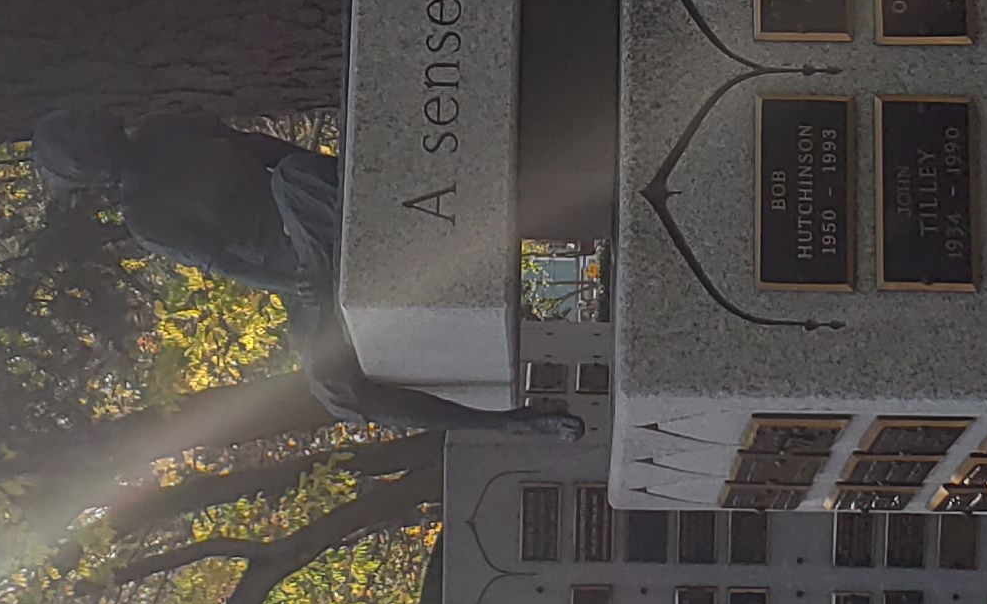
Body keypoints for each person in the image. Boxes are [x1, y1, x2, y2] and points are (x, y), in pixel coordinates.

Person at [30, 108, 579, 438]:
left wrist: (341, 174)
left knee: (296, 176)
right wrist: (293, 286)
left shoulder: (168, 129)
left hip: (306, 199)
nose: (93, 135)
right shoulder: (144, 214)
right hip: (292, 263)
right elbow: (226, 264)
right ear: (87, 170)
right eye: (81, 144)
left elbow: (264, 150)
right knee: (337, 393)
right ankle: (506, 423)